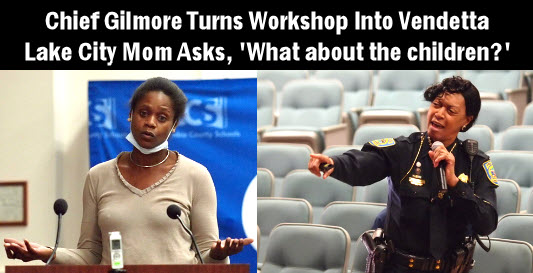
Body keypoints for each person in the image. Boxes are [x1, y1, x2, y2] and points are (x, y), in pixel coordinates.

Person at [4, 77, 253, 265]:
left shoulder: (196, 176)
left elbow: (205, 254)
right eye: (143, 113)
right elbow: (90, 255)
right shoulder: (98, 176)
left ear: (174, 126)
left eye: (162, 117)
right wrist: (47, 253)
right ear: (131, 115)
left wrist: (219, 254)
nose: (150, 122)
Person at [308, 76, 498, 273]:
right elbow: (365, 164)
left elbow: (487, 223)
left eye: (450, 110)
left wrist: (455, 184)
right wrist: (335, 164)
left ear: (467, 121)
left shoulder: (474, 163)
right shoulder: (405, 150)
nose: (439, 114)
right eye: (436, 105)